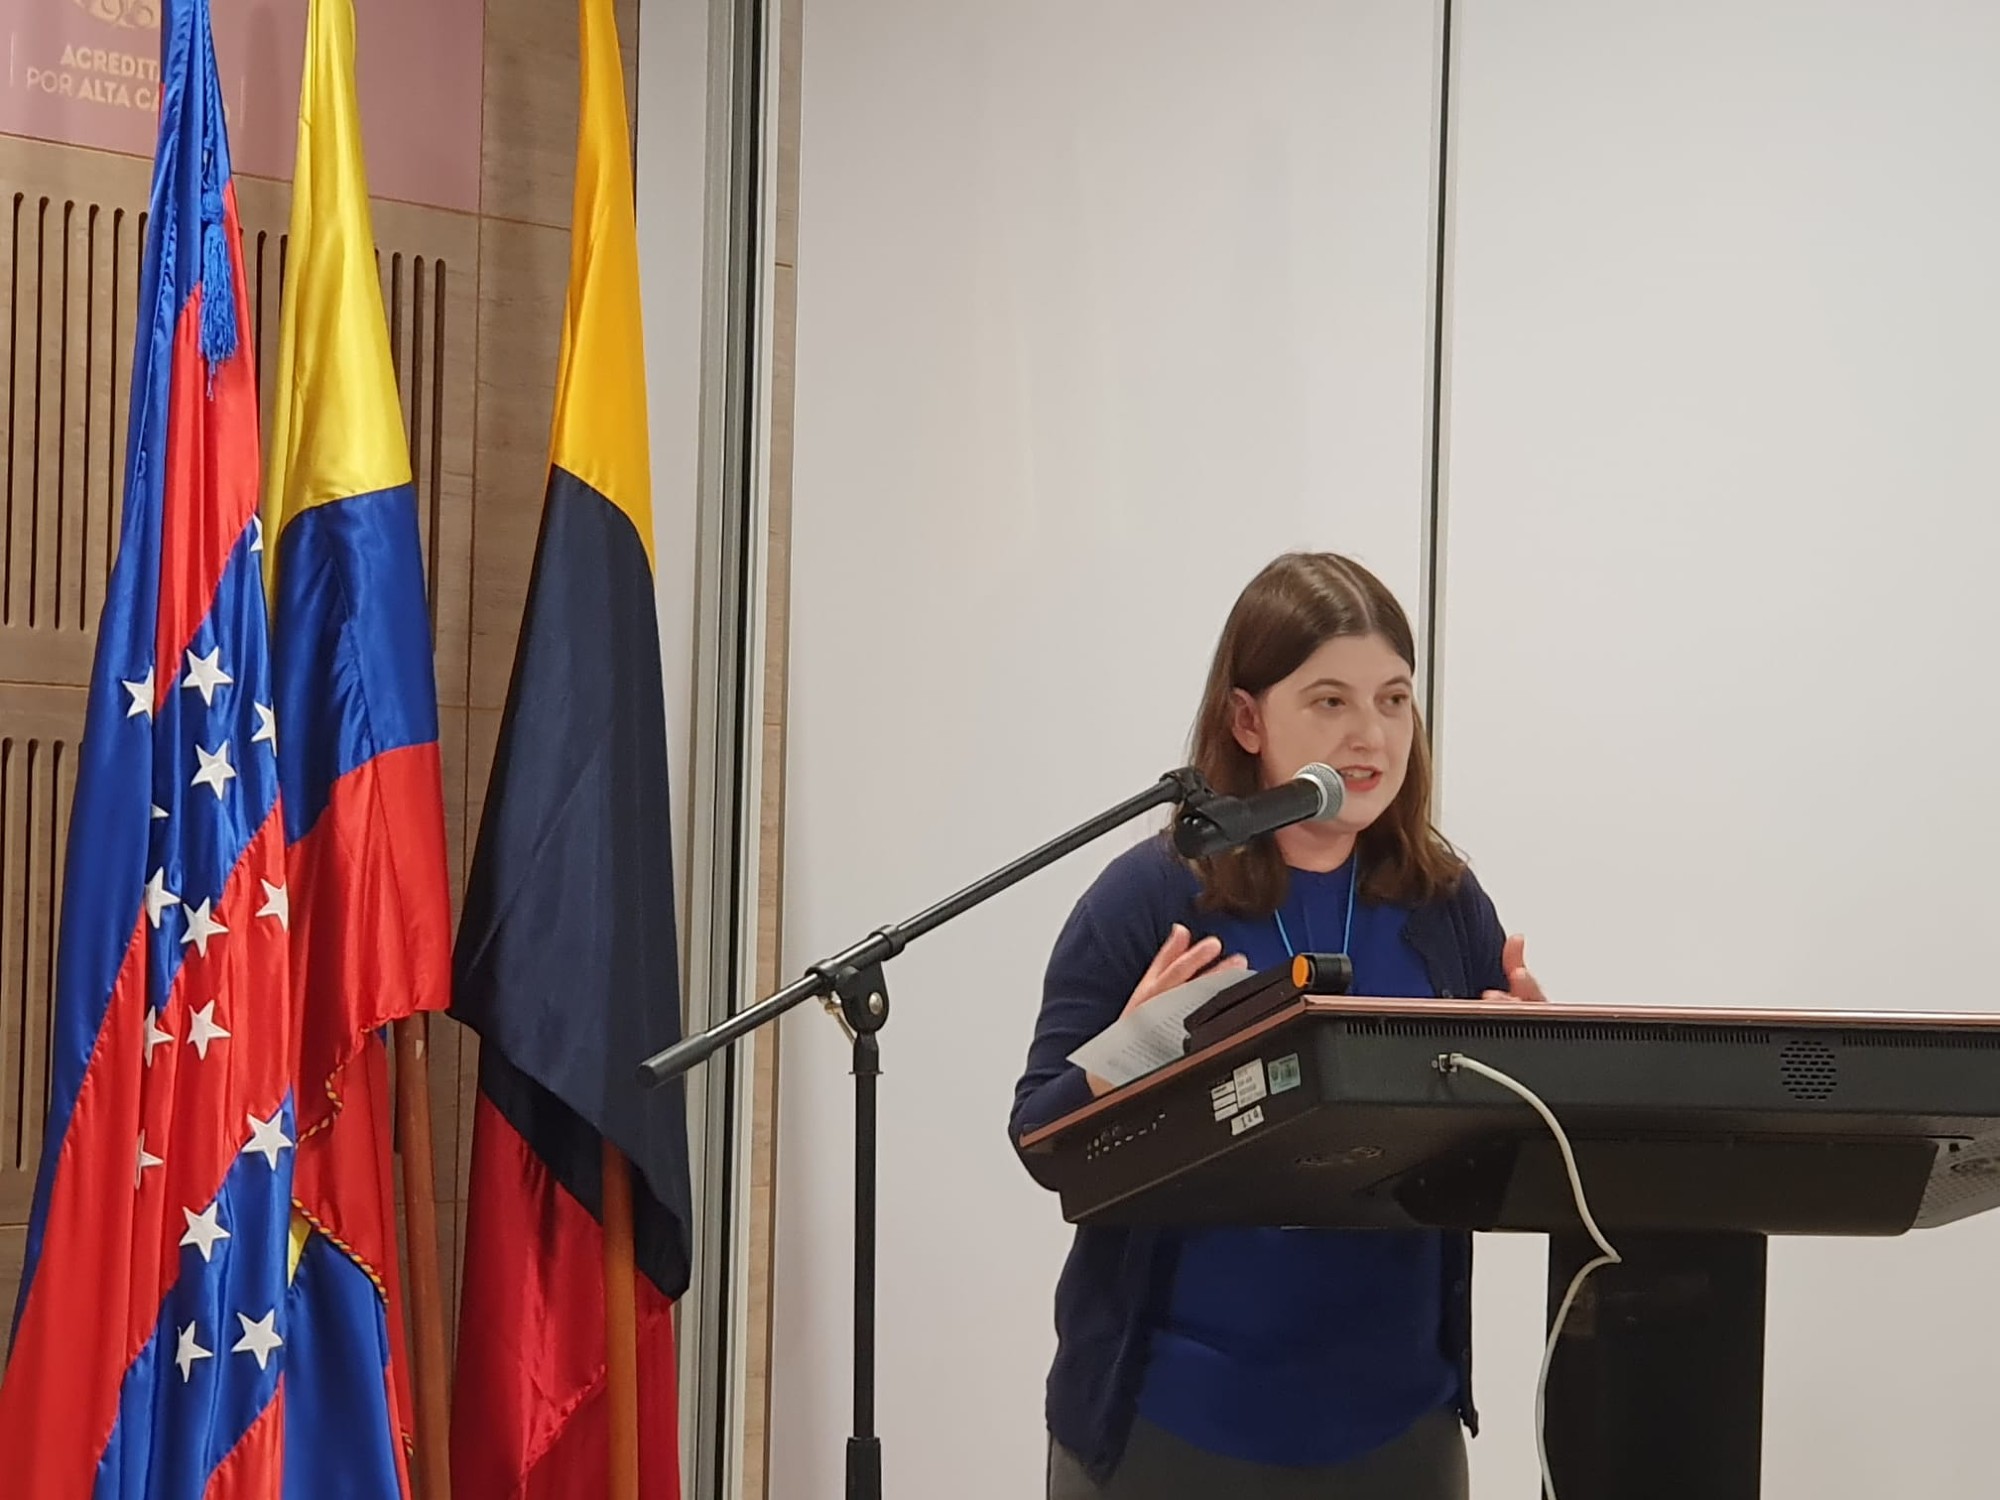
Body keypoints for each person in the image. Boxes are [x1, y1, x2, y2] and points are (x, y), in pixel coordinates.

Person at [1012, 552, 1546, 1500]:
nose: (1371, 735)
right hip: (1177, 1421)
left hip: (1397, 1425)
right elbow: (1042, 1144)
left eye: (1394, 700)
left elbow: (1492, 1166)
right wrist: (1125, 1057)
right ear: (1247, 720)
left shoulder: (1442, 903)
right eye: (1330, 701)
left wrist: (1536, 1075)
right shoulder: (1152, 898)